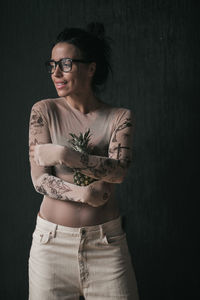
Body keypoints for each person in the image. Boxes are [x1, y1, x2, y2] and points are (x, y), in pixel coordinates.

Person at [28, 22, 139, 300]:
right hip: (51, 247)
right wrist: (84, 194)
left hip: (106, 244)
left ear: (91, 68)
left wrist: (66, 155)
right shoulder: (43, 111)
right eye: (52, 65)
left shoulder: (119, 117)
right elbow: (40, 180)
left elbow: (119, 170)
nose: (56, 73)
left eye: (65, 64)